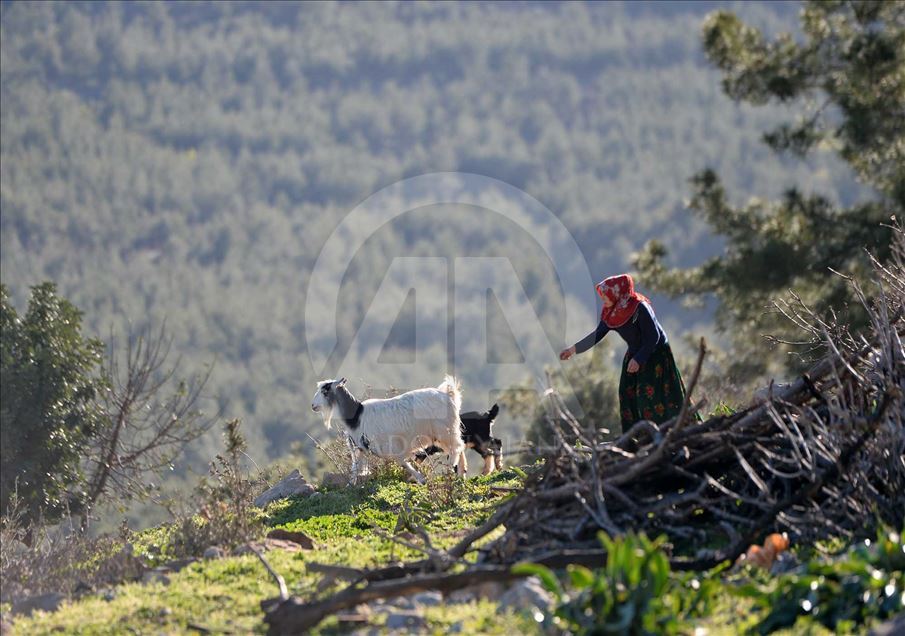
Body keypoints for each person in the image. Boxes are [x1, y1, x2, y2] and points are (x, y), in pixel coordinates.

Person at [559, 274, 693, 433]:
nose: (603, 300)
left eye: (606, 296)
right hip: (635, 351)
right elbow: (598, 334)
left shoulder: (639, 307)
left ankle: (667, 432)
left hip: (655, 353)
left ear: (618, 293)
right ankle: (635, 436)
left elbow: (653, 337)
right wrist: (572, 350)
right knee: (626, 392)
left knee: (650, 396)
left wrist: (638, 359)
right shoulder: (611, 312)